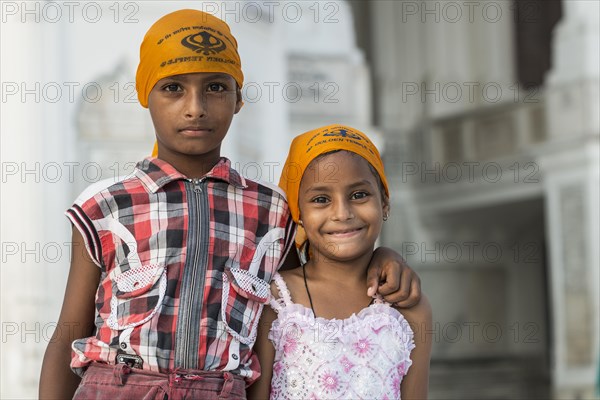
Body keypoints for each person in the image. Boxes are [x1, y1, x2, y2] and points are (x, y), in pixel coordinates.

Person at [38, 10, 422, 400]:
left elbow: (312, 291)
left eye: (216, 88)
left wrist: (383, 257)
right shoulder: (105, 207)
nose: (195, 108)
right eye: (173, 88)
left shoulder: (272, 213)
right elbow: (69, 332)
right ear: (144, 94)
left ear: (239, 98)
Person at [248, 125, 433, 400]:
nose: (342, 213)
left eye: (359, 195)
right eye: (321, 199)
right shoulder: (275, 300)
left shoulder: (408, 307)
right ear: (298, 213)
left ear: (384, 202)